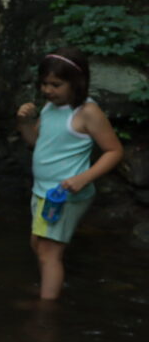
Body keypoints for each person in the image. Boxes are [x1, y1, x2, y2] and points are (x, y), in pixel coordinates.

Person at [16, 46, 122, 300]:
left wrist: (83, 178)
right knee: (38, 245)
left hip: (64, 193)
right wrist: (23, 123)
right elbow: (36, 141)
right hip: (42, 191)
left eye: (56, 84)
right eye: (44, 84)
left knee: (49, 252)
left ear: (77, 83)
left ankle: (46, 313)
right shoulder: (51, 107)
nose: (47, 90)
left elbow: (114, 151)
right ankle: (47, 286)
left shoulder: (87, 112)